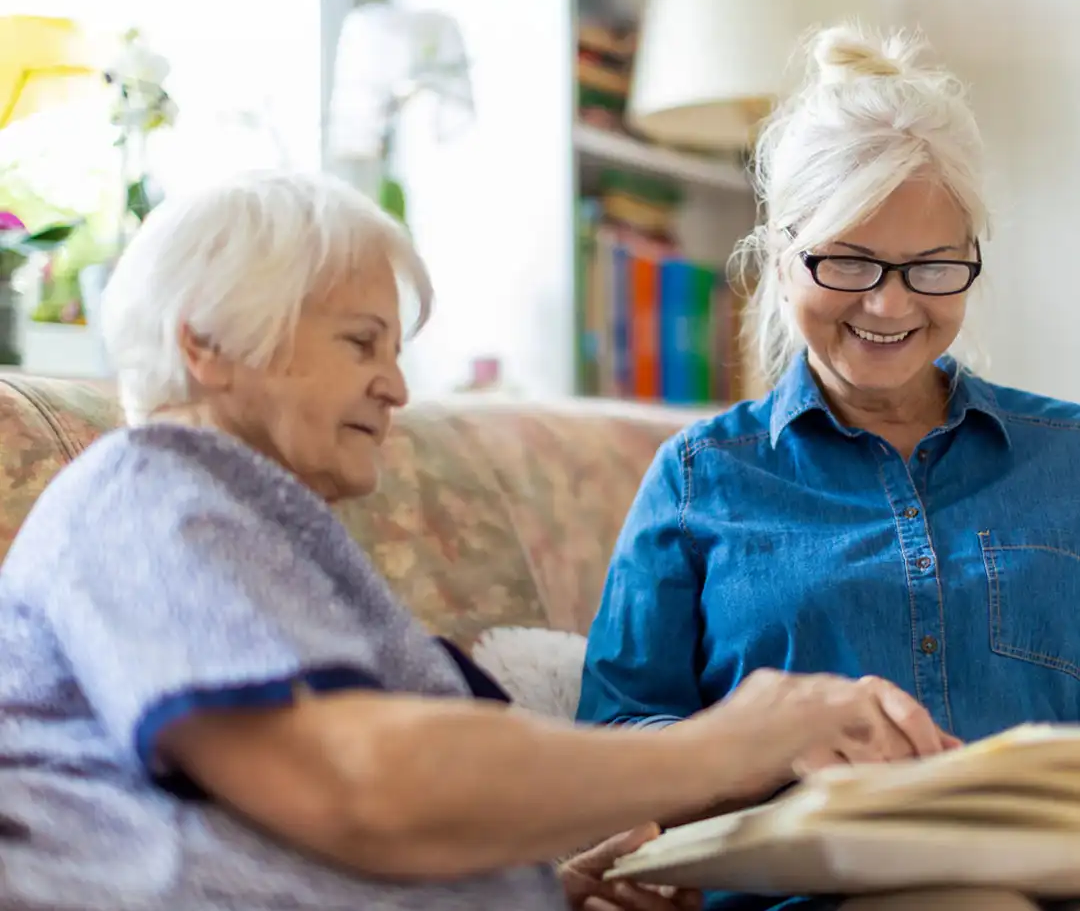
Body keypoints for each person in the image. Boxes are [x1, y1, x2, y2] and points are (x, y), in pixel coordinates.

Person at [0, 170, 956, 911]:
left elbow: (373, 802)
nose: (397, 388)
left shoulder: (259, 533)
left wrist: (546, 877)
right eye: (361, 342)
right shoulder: (149, 492)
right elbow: (355, 780)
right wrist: (734, 740)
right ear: (205, 339)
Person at [577, 25, 1080, 911]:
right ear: (778, 255)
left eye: (930, 267)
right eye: (848, 260)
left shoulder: (1068, 458)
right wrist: (764, 750)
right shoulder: (700, 481)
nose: (889, 304)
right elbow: (607, 756)